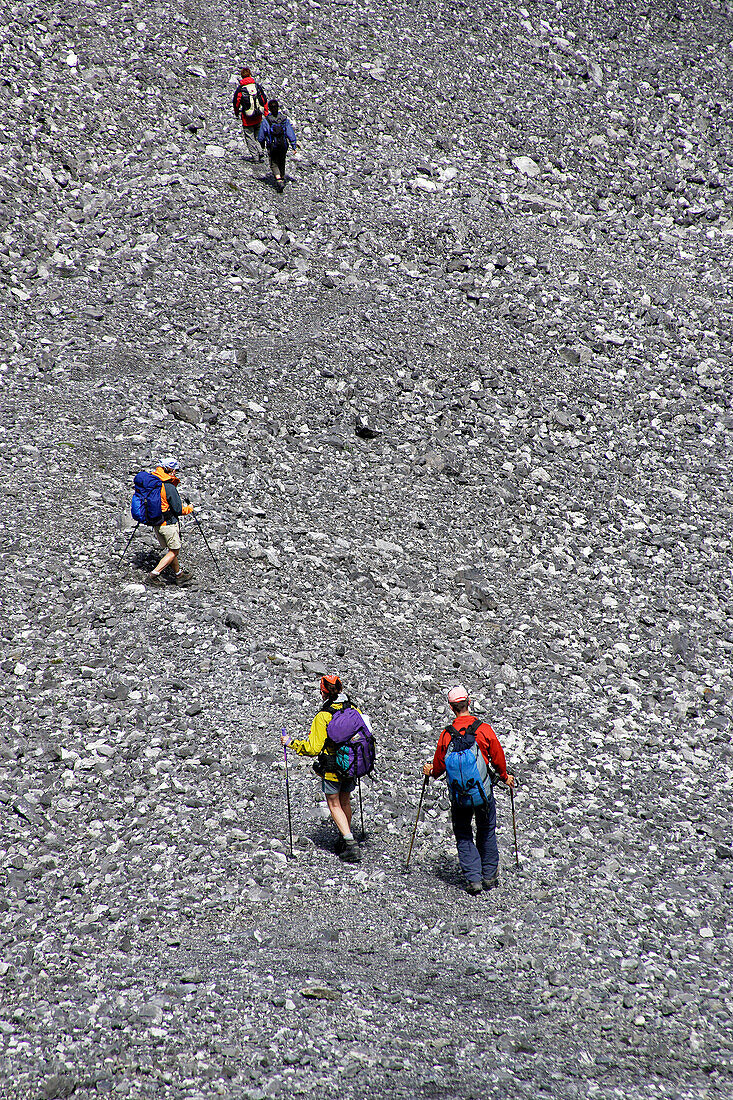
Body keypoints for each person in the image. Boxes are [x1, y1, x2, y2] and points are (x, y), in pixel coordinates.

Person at [423, 685, 514, 895]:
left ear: (451, 707)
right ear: (469, 703)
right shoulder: (483, 729)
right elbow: (498, 757)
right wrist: (504, 776)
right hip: (483, 792)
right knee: (486, 829)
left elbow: (439, 767)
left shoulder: (447, 734)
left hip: (459, 795)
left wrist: (430, 772)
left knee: (463, 833)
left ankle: (473, 879)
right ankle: (489, 876)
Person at [281, 675, 362, 863]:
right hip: (351, 764)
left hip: (332, 767)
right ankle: (345, 837)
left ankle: (349, 844)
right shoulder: (353, 708)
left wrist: (291, 743)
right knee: (345, 801)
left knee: (334, 804)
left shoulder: (322, 716)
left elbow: (313, 748)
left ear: (323, 692)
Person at [145, 459, 195, 587]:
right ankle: (153, 575)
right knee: (174, 551)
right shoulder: (168, 486)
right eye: (175, 470)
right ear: (170, 469)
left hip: (157, 522)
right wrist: (190, 508)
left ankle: (179, 575)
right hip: (169, 524)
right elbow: (178, 509)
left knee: (171, 549)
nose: (176, 472)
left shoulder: (153, 482)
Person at [258, 99, 296, 193]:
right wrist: (294, 146)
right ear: (278, 107)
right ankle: (282, 177)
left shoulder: (266, 121)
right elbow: (290, 133)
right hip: (283, 145)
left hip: (272, 145)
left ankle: (278, 179)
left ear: (270, 109)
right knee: (282, 160)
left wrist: (262, 144)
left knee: (273, 162)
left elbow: (261, 136)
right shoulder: (284, 120)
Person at [233, 67, 268, 162]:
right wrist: (266, 113)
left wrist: (236, 113)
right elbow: (264, 100)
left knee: (249, 137)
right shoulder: (256, 86)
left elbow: (236, 103)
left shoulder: (240, 89)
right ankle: (260, 152)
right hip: (258, 116)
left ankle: (255, 156)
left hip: (247, 118)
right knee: (258, 135)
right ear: (250, 75)